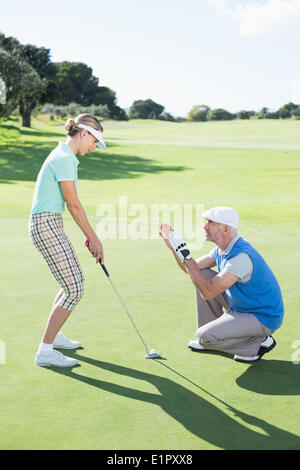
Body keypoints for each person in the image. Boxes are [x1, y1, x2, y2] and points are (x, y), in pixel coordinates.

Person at [29, 114, 106, 368]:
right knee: (74, 287)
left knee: (69, 283)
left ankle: (55, 337)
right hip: (46, 225)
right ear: (83, 133)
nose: (94, 147)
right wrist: (93, 238)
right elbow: (73, 205)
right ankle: (45, 351)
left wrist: (89, 236)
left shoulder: (65, 157)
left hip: (50, 223)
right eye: (94, 141)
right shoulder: (64, 159)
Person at [160, 206, 284, 363]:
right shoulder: (222, 250)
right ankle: (211, 332)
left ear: (225, 229)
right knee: (202, 274)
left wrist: (185, 254)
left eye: (210, 223)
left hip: (262, 317)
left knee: (204, 337)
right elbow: (191, 269)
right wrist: (175, 250)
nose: (205, 226)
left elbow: (209, 292)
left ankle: (258, 342)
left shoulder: (241, 257)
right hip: (243, 306)